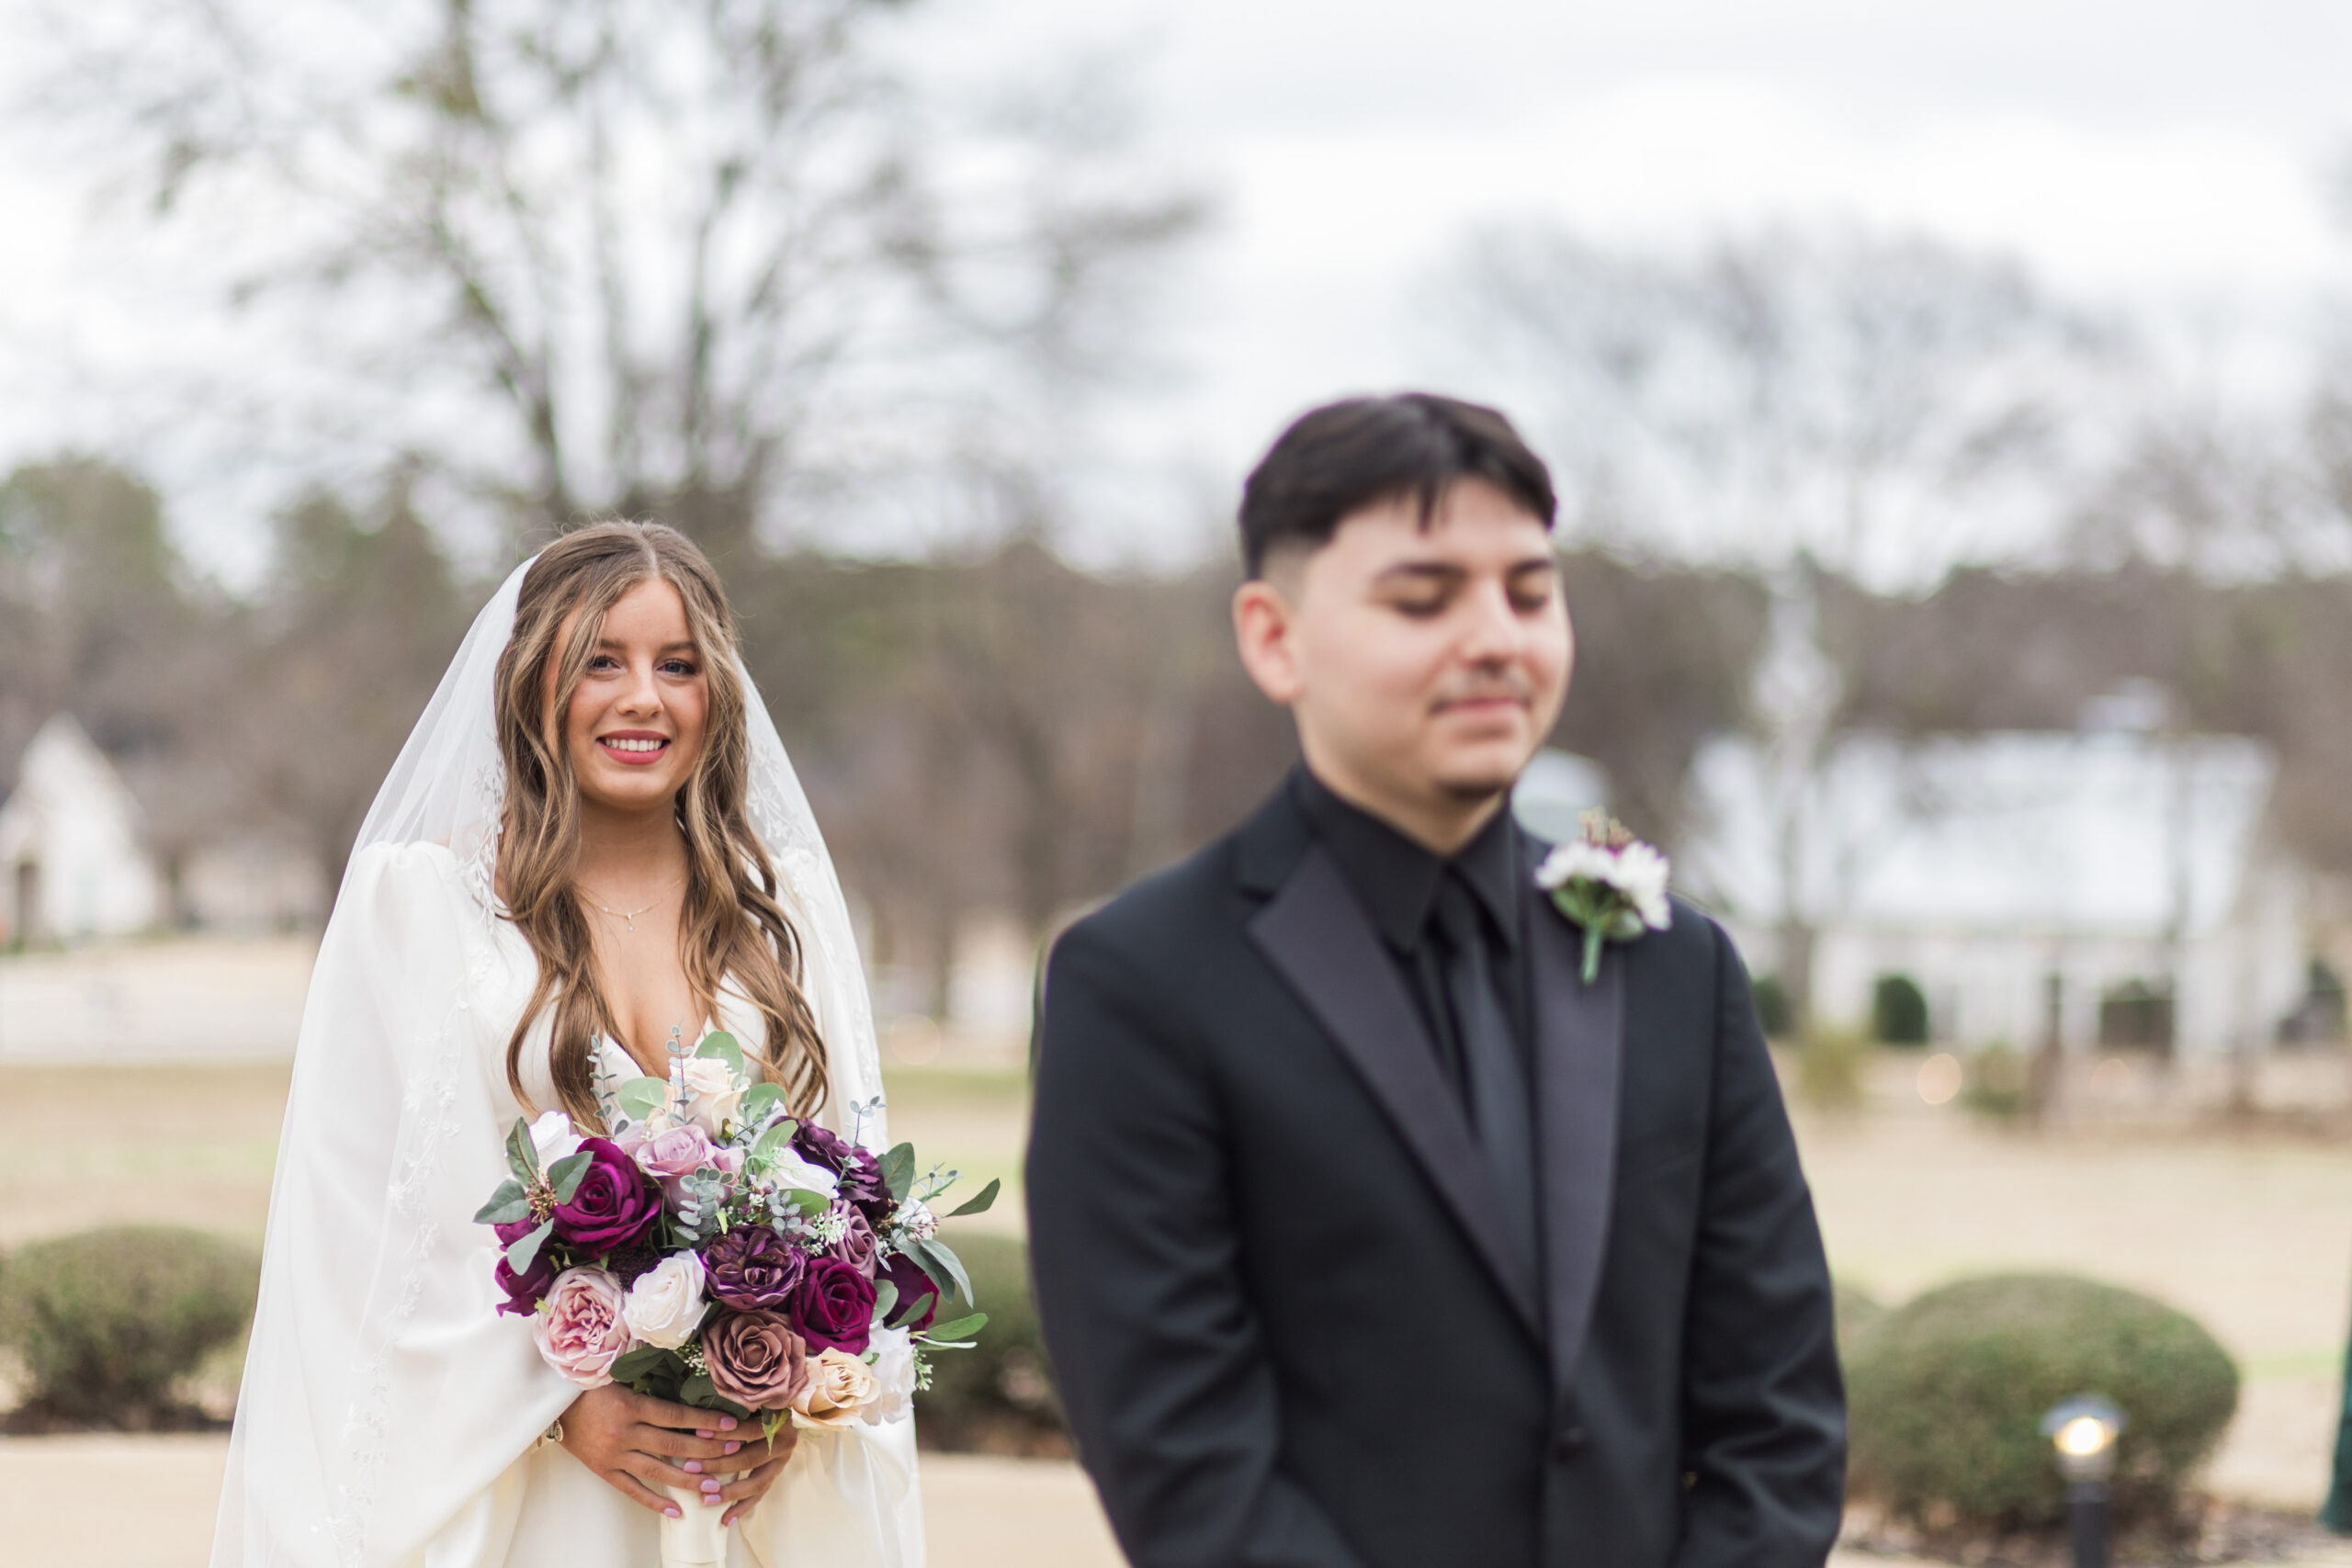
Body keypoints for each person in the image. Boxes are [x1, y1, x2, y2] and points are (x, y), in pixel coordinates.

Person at [1025, 393, 1846, 1568]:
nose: (1496, 639)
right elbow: (1186, 1463)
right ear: (1273, 637)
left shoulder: (1679, 965)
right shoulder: (1142, 982)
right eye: (1424, 597)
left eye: (1528, 590)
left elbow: (1779, 1417)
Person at [210, 522, 922, 1566]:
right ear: (530, 683)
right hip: (519, 1491)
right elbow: (353, 1235)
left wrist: (803, 1390)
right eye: (601, 660)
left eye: (677, 666)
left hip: (744, 1498)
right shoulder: (417, 906)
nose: (644, 697)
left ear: (715, 694)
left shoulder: (791, 910)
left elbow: (851, 1195)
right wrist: (557, 1405)